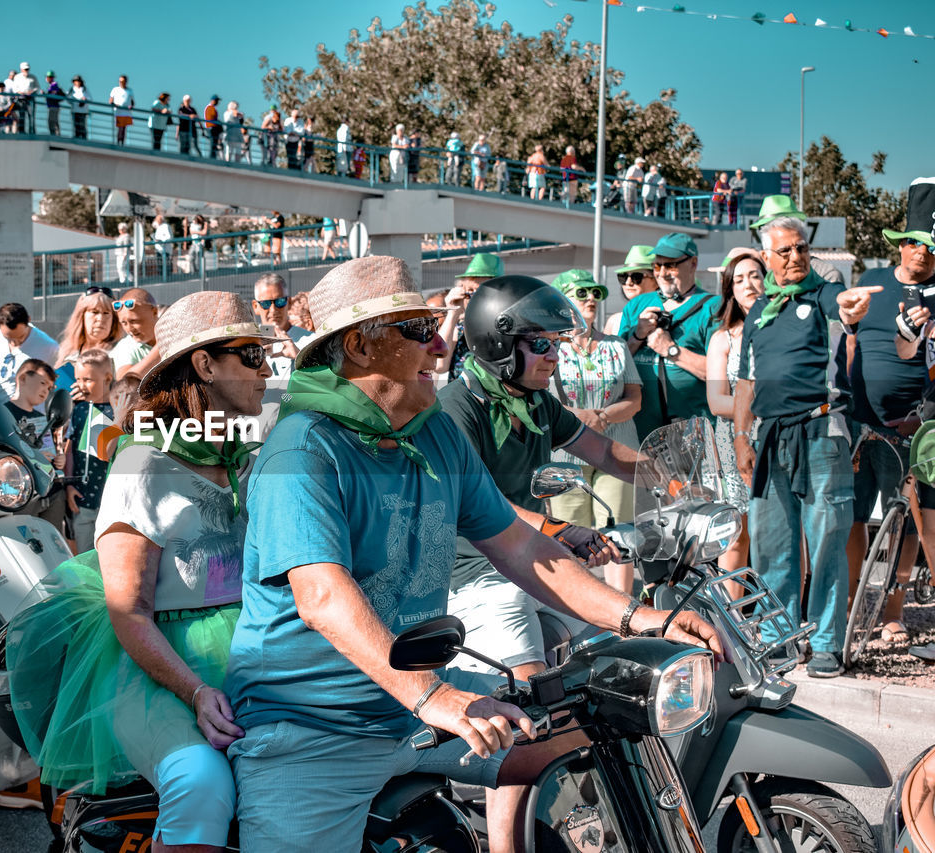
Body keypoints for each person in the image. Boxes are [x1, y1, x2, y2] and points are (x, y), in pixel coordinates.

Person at [223, 256, 721, 851]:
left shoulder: (430, 430)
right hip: (314, 724)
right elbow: (323, 597)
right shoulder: (301, 449)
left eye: (436, 325)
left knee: (588, 741)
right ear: (358, 347)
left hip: (416, 697)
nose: (441, 345)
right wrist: (438, 697)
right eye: (418, 330)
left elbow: (519, 546)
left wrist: (646, 618)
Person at [7, 291, 277, 852]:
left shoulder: (246, 457)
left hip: (258, 651)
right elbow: (129, 610)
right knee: (201, 784)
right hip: (160, 669)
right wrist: (198, 691)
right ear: (204, 365)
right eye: (252, 355)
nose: (268, 369)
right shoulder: (141, 465)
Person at [441, 272, 641, 852]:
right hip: (479, 577)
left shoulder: (532, 400)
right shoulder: (460, 406)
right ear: (502, 343)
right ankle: (506, 846)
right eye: (543, 343)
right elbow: (484, 505)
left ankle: (610, 805)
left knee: (611, 662)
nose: (555, 354)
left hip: (529, 565)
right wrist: (562, 529)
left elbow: (601, 450)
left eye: (558, 341)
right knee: (525, 717)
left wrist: (672, 478)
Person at [732, 206, 879, 679]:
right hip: (769, 437)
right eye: (785, 251)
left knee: (827, 541)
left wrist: (852, 306)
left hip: (822, 432)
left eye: (802, 248)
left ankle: (825, 644)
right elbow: (745, 385)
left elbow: (846, 305)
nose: (795, 257)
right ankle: (778, 638)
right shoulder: (757, 311)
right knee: (772, 546)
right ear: (766, 257)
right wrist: (740, 437)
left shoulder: (822, 294)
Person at [871, 177, 935, 645]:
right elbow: (907, 352)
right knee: (923, 520)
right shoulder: (891, 291)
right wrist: (912, 332)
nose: (923, 253)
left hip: (924, 422)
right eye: (917, 242)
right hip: (911, 423)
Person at [548, 269, 643, 575]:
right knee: (571, 536)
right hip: (566, 453)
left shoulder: (615, 345)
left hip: (614, 446)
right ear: (560, 301)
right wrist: (580, 419)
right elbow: (545, 400)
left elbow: (634, 398)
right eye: (581, 292)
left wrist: (601, 417)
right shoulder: (548, 347)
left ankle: (621, 620)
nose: (591, 298)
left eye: (596, 293)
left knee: (619, 534)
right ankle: (578, 612)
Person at [618, 233, 719, 440]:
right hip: (641, 432)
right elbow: (617, 365)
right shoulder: (636, 305)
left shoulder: (713, 307)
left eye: (670, 265)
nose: (662, 273)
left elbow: (720, 375)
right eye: (657, 266)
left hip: (693, 433)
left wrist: (671, 351)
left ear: (693, 263)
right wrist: (637, 336)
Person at [705, 250, 765, 577]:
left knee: (783, 534)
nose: (748, 284)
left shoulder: (784, 330)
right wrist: (769, 408)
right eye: (738, 279)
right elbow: (716, 401)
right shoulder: (722, 339)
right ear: (730, 290)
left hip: (778, 439)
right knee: (735, 535)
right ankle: (734, 622)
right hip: (732, 445)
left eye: (755, 275)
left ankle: (787, 620)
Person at [60, 348, 114, 552]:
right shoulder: (79, 409)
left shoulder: (118, 410)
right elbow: (70, 449)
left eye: (88, 380)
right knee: (83, 555)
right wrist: (69, 485)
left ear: (107, 378)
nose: (81, 386)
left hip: (108, 501)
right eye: (78, 379)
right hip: (81, 497)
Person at [434, 252, 502, 380]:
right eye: (469, 292)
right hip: (463, 397)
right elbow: (439, 364)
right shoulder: (458, 327)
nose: (473, 298)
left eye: (480, 292)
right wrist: (453, 313)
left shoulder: (504, 325)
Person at [0, 302, 60, 401]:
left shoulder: (49, 347)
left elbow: (59, 383)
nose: (14, 342)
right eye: (8, 338)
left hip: (33, 412)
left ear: (28, 320)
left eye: (20, 337)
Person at [251, 272, 309, 381]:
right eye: (266, 304)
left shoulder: (310, 341)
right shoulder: (246, 342)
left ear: (289, 302)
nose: (273, 310)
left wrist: (299, 359)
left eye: (280, 302)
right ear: (255, 306)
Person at [57, 289, 121, 366]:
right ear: (81, 316)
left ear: (113, 320)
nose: (100, 318)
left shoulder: (121, 352)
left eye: (106, 313)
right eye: (94, 312)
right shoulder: (66, 353)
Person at [602, 245, 656, 335]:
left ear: (656, 279)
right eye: (623, 277)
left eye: (637, 277)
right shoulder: (614, 321)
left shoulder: (668, 313)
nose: (628, 282)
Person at [109, 288, 160, 379]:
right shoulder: (125, 347)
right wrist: (161, 347)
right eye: (124, 323)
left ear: (154, 311)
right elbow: (124, 381)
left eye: (134, 321)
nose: (129, 329)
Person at [108, 74, 134, 145]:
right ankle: (118, 142)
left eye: (123, 81)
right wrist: (115, 104)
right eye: (120, 81)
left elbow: (132, 102)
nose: (121, 83)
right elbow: (110, 101)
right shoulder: (115, 89)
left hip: (126, 112)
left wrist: (131, 106)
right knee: (120, 127)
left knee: (123, 128)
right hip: (118, 111)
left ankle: (122, 142)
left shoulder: (130, 90)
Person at [43, 71, 65, 135]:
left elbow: (52, 95)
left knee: (53, 121)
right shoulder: (51, 86)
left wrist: (45, 94)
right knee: (51, 121)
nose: (47, 78)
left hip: (54, 106)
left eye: (49, 77)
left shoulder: (54, 85)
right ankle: (55, 134)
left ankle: (56, 135)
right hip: (52, 106)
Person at [69, 75, 89, 139]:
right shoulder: (72, 89)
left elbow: (90, 98)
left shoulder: (84, 89)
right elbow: (67, 97)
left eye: (78, 81)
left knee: (82, 125)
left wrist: (84, 100)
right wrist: (73, 103)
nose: (76, 83)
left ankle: (84, 137)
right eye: (75, 81)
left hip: (83, 111)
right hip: (75, 110)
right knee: (76, 125)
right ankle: (77, 136)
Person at [204, 94, 222, 159]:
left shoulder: (213, 108)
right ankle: (211, 157)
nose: (217, 102)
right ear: (213, 100)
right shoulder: (209, 108)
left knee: (214, 143)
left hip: (214, 128)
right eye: (216, 100)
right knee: (213, 143)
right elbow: (210, 118)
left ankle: (213, 156)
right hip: (211, 127)